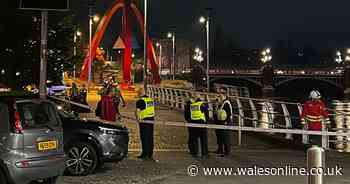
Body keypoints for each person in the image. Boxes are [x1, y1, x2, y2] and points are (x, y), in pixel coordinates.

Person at [184, 93, 209, 158]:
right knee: (203, 139)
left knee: (192, 138)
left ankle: (193, 152)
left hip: (192, 123)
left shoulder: (188, 104)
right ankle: (204, 153)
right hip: (202, 123)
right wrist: (206, 122)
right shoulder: (201, 104)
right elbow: (206, 113)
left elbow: (186, 114)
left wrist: (188, 120)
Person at [135, 89, 155, 160]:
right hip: (152, 120)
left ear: (140, 94)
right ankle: (150, 153)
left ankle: (144, 154)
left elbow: (137, 111)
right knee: (150, 137)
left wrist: (137, 119)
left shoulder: (140, 101)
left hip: (144, 121)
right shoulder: (150, 100)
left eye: (137, 93)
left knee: (144, 137)